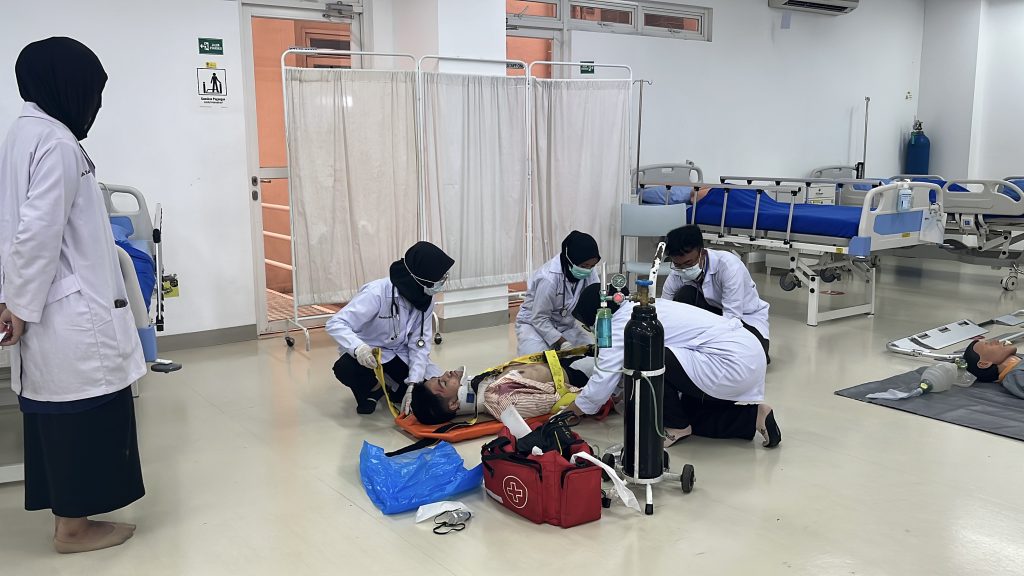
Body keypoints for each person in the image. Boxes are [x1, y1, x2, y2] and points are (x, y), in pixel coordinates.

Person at [0, 37, 145, 553]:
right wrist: (19, 306)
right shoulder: (58, 142)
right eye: (91, 92)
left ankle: (69, 520)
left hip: (48, 305)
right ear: (66, 86)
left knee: (57, 415)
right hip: (69, 312)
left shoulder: (23, 133)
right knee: (83, 417)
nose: (94, 105)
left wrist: (13, 300)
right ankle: (74, 529)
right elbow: (37, 233)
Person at [568, 284, 781, 448]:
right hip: (747, 354)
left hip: (730, 364)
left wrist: (575, 408)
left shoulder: (619, 324)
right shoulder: (645, 306)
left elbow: (605, 375)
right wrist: (618, 394)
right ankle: (753, 417)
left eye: (588, 326)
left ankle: (676, 427)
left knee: (647, 359)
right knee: (681, 408)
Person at [327, 241, 454, 415]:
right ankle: (374, 388)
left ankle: (389, 387)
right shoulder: (377, 293)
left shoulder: (424, 298)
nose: (442, 282)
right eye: (439, 278)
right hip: (369, 351)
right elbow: (336, 323)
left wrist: (414, 382)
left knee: (421, 396)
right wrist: (359, 348)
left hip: (397, 352)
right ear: (422, 277)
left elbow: (420, 343)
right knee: (345, 369)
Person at [661, 225, 771, 362]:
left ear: (702, 253)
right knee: (685, 294)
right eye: (678, 265)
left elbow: (732, 319)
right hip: (711, 312)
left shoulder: (729, 266)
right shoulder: (678, 271)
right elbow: (664, 308)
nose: (684, 269)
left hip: (744, 318)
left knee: (754, 356)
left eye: (689, 263)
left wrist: (702, 341)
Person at [409, 353, 596, 425]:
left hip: (564, 361)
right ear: (453, 404)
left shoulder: (483, 386)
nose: (446, 373)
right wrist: (599, 391)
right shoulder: (500, 401)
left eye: (439, 377)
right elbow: (557, 402)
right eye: (443, 383)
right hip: (581, 376)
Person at [515, 231, 601, 355]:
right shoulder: (548, 278)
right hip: (534, 325)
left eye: (592, 266)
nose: (588, 270)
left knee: (589, 354)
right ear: (570, 259)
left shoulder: (589, 271)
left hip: (565, 326)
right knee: (537, 360)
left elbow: (594, 300)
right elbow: (539, 318)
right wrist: (562, 342)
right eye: (584, 266)